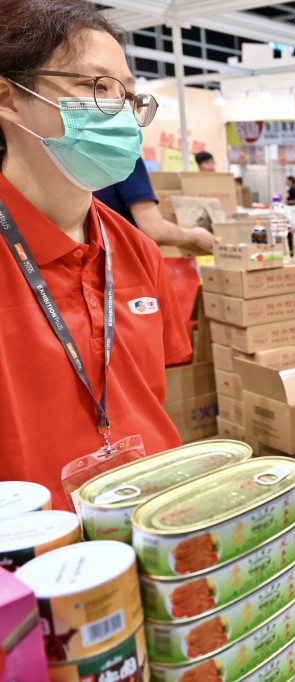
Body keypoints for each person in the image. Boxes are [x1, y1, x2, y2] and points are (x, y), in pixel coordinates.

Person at [0, 0, 191, 510]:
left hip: (152, 532)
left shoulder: (137, 251)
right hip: (33, 560)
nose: (124, 115)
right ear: (9, 98)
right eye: (96, 87)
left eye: (128, 95)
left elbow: (151, 399)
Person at [95, 158, 217, 252]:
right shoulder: (124, 156)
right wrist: (195, 235)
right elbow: (156, 231)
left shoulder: (80, 157)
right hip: (119, 267)